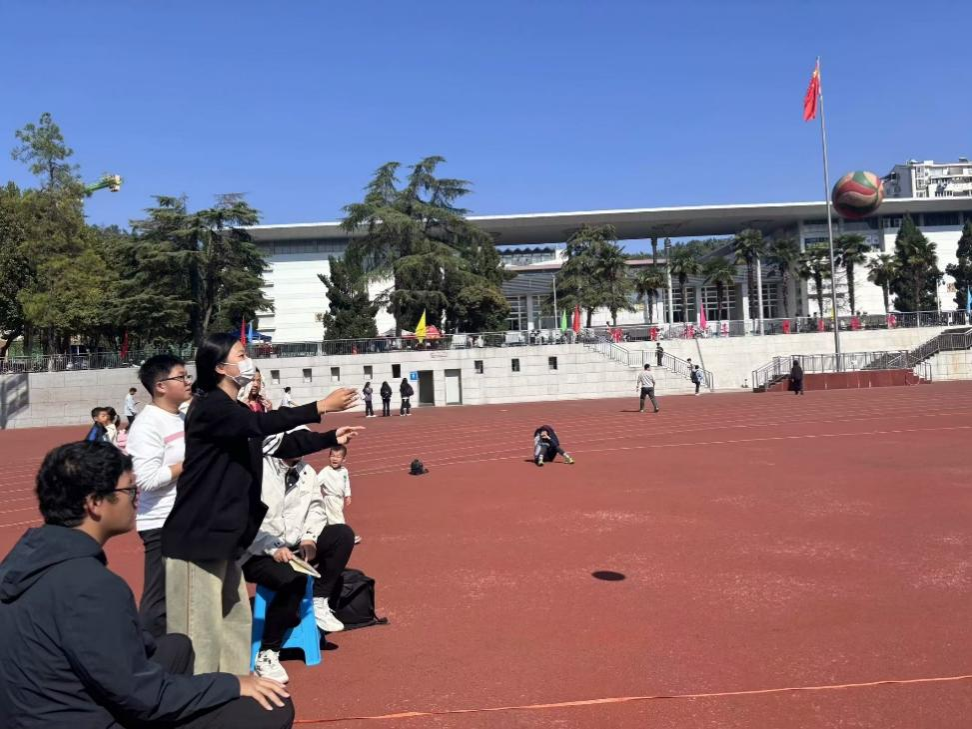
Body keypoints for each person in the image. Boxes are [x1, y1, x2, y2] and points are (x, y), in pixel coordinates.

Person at [0, 441, 294, 729]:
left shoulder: (25, 559)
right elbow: (144, 697)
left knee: (177, 646)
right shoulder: (90, 585)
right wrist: (231, 684)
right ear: (94, 503)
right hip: (81, 718)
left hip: (32, 710)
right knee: (271, 708)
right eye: (129, 490)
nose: (135, 498)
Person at [162, 333, 358, 675]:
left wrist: (330, 437)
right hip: (198, 537)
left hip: (226, 538)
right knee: (200, 631)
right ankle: (201, 695)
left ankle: (234, 686)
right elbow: (259, 423)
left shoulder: (235, 411)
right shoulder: (210, 408)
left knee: (235, 623)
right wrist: (320, 407)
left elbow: (279, 442)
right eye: (241, 354)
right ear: (220, 366)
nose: (248, 359)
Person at [244, 428, 359, 682]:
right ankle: (268, 652)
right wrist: (273, 548)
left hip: (296, 546)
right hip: (257, 552)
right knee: (293, 579)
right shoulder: (259, 470)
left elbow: (316, 508)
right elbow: (247, 521)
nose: (304, 448)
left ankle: (319, 598)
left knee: (342, 535)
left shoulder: (307, 472)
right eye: (299, 441)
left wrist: (310, 537)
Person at [127, 353, 193, 639]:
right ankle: (147, 653)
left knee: (184, 595)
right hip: (162, 522)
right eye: (181, 377)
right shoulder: (147, 424)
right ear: (161, 386)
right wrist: (191, 463)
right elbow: (146, 479)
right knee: (159, 601)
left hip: (186, 518)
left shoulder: (181, 417)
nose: (187, 381)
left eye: (187, 375)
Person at [317, 445, 360, 543]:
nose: (334, 459)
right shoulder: (326, 471)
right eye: (332, 456)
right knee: (338, 518)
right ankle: (347, 537)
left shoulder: (344, 471)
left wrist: (348, 495)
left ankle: (324, 537)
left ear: (343, 459)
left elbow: (346, 483)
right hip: (330, 499)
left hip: (339, 499)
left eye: (338, 457)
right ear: (329, 457)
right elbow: (315, 483)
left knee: (329, 519)